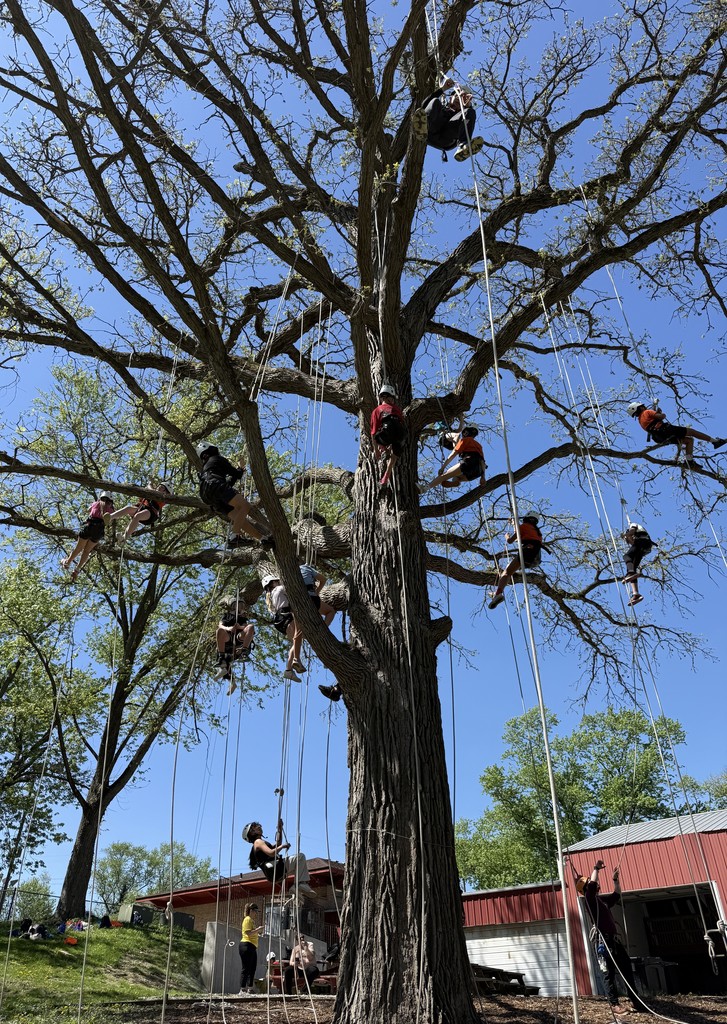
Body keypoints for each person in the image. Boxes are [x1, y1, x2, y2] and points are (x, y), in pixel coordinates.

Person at [577, 860, 648, 1015]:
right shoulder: (590, 900)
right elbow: (592, 886)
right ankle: (614, 1004)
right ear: (586, 889)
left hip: (613, 941)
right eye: (590, 884)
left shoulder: (601, 900)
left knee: (626, 967)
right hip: (603, 941)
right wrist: (596, 868)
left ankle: (634, 999)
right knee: (608, 973)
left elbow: (616, 895)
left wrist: (615, 880)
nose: (595, 884)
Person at [262, 566, 335, 682]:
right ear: (273, 583)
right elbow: (297, 592)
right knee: (299, 633)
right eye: (277, 580)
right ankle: (297, 660)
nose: (279, 581)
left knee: (298, 640)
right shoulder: (280, 589)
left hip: (280, 620)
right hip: (287, 615)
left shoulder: (271, 595)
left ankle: (288, 670)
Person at [196, 442, 274, 548]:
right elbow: (236, 474)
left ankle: (263, 539)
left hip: (208, 496)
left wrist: (238, 472)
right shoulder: (217, 459)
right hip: (215, 485)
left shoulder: (206, 468)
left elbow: (228, 484)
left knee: (238, 517)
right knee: (245, 506)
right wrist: (240, 468)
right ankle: (234, 536)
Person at [628, 401, 726, 467]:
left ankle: (690, 461)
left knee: (688, 440)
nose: (644, 407)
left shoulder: (640, 421)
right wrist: (660, 414)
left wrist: (656, 415)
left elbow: (652, 423)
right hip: (666, 430)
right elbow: (662, 416)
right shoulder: (647, 412)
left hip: (661, 437)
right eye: (642, 406)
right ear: (639, 408)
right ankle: (715, 441)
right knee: (691, 432)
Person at [411, 77, 484, 162]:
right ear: (450, 98)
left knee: (470, 112)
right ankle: (423, 127)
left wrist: (468, 106)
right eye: (457, 96)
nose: (458, 99)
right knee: (435, 101)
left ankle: (463, 145)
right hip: (429, 130)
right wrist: (443, 89)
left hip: (446, 138)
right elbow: (424, 105)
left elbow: (468, 117)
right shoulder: (440, 108)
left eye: (462, 99)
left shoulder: (462, 115)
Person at [488, 514, 548, 610]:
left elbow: (511, 540)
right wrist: (513, 523)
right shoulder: (537, 532)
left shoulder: (524, 526)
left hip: (527, 552)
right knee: (511, 569)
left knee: (506, 572)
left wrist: (507, 536)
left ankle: (498, 593)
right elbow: (521, 534)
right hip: (536, 558)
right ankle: (497, 592)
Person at [242, 819, 314, 895]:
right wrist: (282, 847)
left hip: (273, 873)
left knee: (299, 868)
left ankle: (297, 891)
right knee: (300, 857)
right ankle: (300, 885)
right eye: (256, 826)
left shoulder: (259, 843)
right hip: (275, 868)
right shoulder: (258, 842)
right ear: (252, 832)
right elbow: (271, 853)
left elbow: (278, 843)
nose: (259, 826)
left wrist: (279, 828)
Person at [61, 493, 115, 580]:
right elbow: (110, 520)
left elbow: (88, 510)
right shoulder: (111, 510)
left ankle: (67, 562)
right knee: (86, 551)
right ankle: (77, 570)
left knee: (79, 548)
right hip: (99, 532)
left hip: (90, 526)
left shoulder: (96, 503)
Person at [418, 425, 486, 493]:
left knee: (444, 476)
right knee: (457, 477)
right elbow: (482, 462)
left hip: (469, 461)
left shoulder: (464, 440)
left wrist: (443, 468)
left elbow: (452, 455)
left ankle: (424, 489)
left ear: (467, 432)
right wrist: (483, 477)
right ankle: (456, 482)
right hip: (478, 471)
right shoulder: (479, 446)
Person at [213, 595, 255, 694]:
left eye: (241, 605)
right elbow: (221, 625)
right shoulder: (226, 615)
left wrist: (239, 627)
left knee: (251, 627)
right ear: (233, 606)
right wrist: (230, 628)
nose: (241, 607)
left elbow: (245, 626)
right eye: (238, 605)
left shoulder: (242, 616)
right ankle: (222, 659)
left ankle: (244, 650)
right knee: (219, 631)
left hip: (239, 638)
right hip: (228, 638)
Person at [370, 384, 406, 488]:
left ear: (382, 398)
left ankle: (384, 449)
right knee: (394, 456)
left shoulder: (377, 410)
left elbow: (373, 432)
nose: (394, 401)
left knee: (377, 437)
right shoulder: (397, 409)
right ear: (388, 397)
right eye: (393, 398)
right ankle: (385, 478)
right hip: (400, 435)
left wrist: (376, 450)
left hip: (387, 434)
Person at [621, 523, 656, 607]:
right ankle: (636, 594)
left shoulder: (633, 525)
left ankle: (630, 573)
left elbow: (632, 531)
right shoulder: (636, 539)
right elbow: (633, 543)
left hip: (643, 542)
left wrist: (625, 535)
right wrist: (628, 538)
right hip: (644, 547)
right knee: (632, 567)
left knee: (627, 556)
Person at [239, 902, 263, 994]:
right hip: (246, 945)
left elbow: (252, 932)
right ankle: (242, 988)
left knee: (252, 967)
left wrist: (258, 932)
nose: (256, 914)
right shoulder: (247, 919)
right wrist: (258, 929)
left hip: (252, 946)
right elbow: (248, 933)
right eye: (256, 911)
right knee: (246, 967)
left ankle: (250, 988)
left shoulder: (252, 921)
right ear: (252, 911)